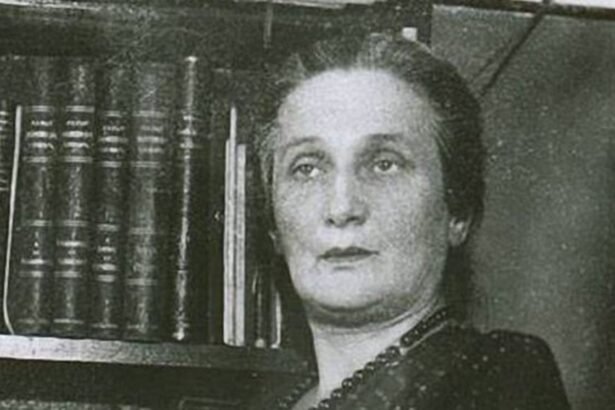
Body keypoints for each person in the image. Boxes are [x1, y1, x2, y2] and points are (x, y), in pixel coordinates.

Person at [249, 31, 570, 410]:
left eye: (385, 164)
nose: (342, 207)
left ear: (457, 210)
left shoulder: (500, 378)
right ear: (273, 226)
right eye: (307, 168)